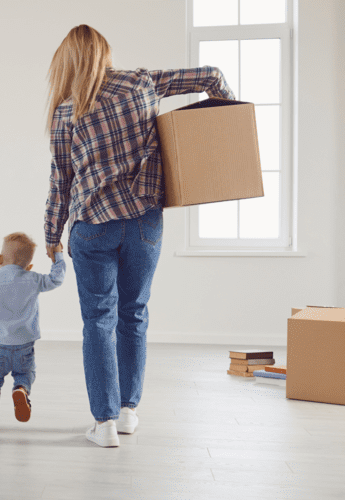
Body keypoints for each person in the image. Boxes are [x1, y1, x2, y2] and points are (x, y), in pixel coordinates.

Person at [44, 25, 235, 447]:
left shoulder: (64, 112)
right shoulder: (142, 82)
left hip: (92, 226)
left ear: (68, 62)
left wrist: (51, 235)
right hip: (145, 222)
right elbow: (211, 75)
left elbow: (62, 182)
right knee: (134, 315)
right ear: (105, 54)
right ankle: (129, 412)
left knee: (98, 321)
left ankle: (105, 423)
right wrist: (225, 127)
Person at [0, 232, 66, 432]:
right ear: (29, 266)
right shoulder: (33, 278)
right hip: (24, 345)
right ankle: (21, 389)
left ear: (0, 258)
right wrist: (58, 255)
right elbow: (56, 279)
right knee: (25, 373)